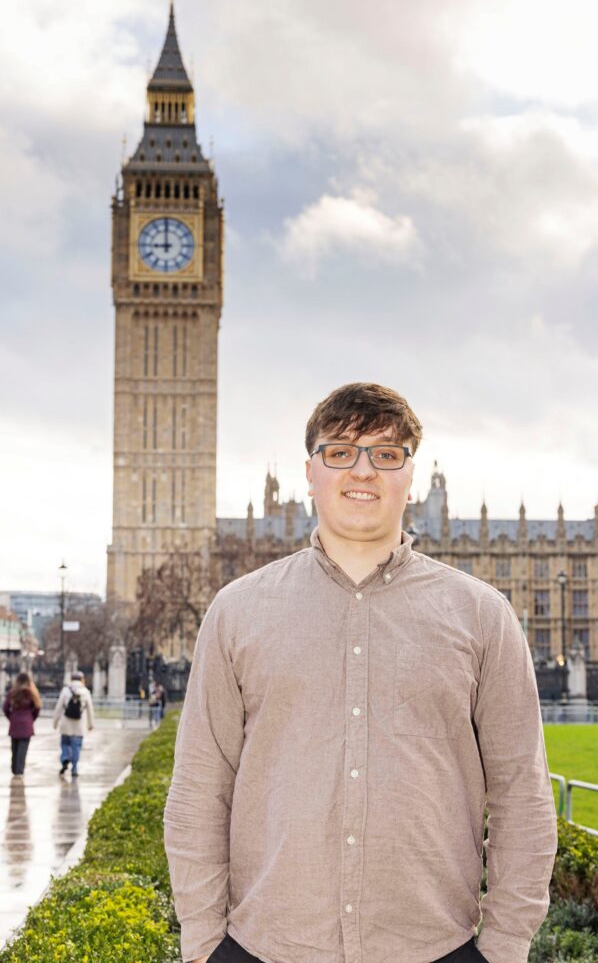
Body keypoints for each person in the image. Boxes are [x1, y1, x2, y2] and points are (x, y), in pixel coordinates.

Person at [164, 383, 558, 963]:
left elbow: (523, 795)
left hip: (435, 947)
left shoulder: (482, 615)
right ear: (310, 472)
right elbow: (198, 789)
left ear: (411, 477)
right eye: (341, 452)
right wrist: (203, 944)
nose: (364, 470)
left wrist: (502, 948)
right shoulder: (238, 610)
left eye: (387, 454)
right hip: (264, 946)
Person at [53, 670, 95, 777]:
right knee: (76, 747)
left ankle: (65, 758)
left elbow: (58, 707)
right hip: (79, 726)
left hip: (65, 725)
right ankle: (74, 768)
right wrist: (90, 724)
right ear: (82, 679)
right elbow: (90, 710)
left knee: (65, 744)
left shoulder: (65, 691)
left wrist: (55, 722)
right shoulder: (85, 691)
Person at [3, 672, 42, 777]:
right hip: (27, 723)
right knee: (23, 749)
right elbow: (37, 708)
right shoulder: (32, 693)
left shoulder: (12, 692)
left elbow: (5, 708)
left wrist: (11, 717)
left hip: (15, 723)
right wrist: (31, 718)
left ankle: (14, 769)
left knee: (14, 748)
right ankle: (19, 770)